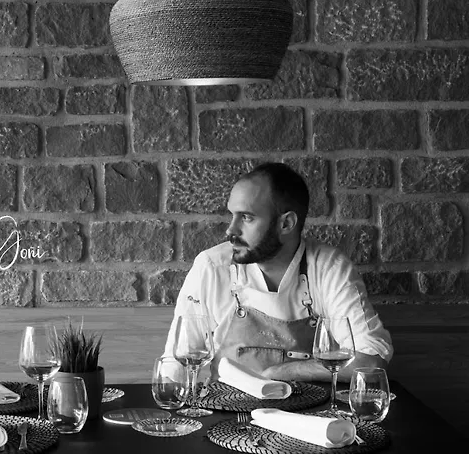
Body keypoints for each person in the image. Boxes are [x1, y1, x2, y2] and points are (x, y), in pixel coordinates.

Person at [163, 162, 393, 382]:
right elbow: (177, 363)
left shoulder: (329, 269)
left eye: (246, 217)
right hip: (225, 406)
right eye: (232, 215)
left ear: (286, 224)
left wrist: (282, 372)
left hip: (309, 408)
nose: (231, 230)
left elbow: (370, 362)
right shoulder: (212, 267)